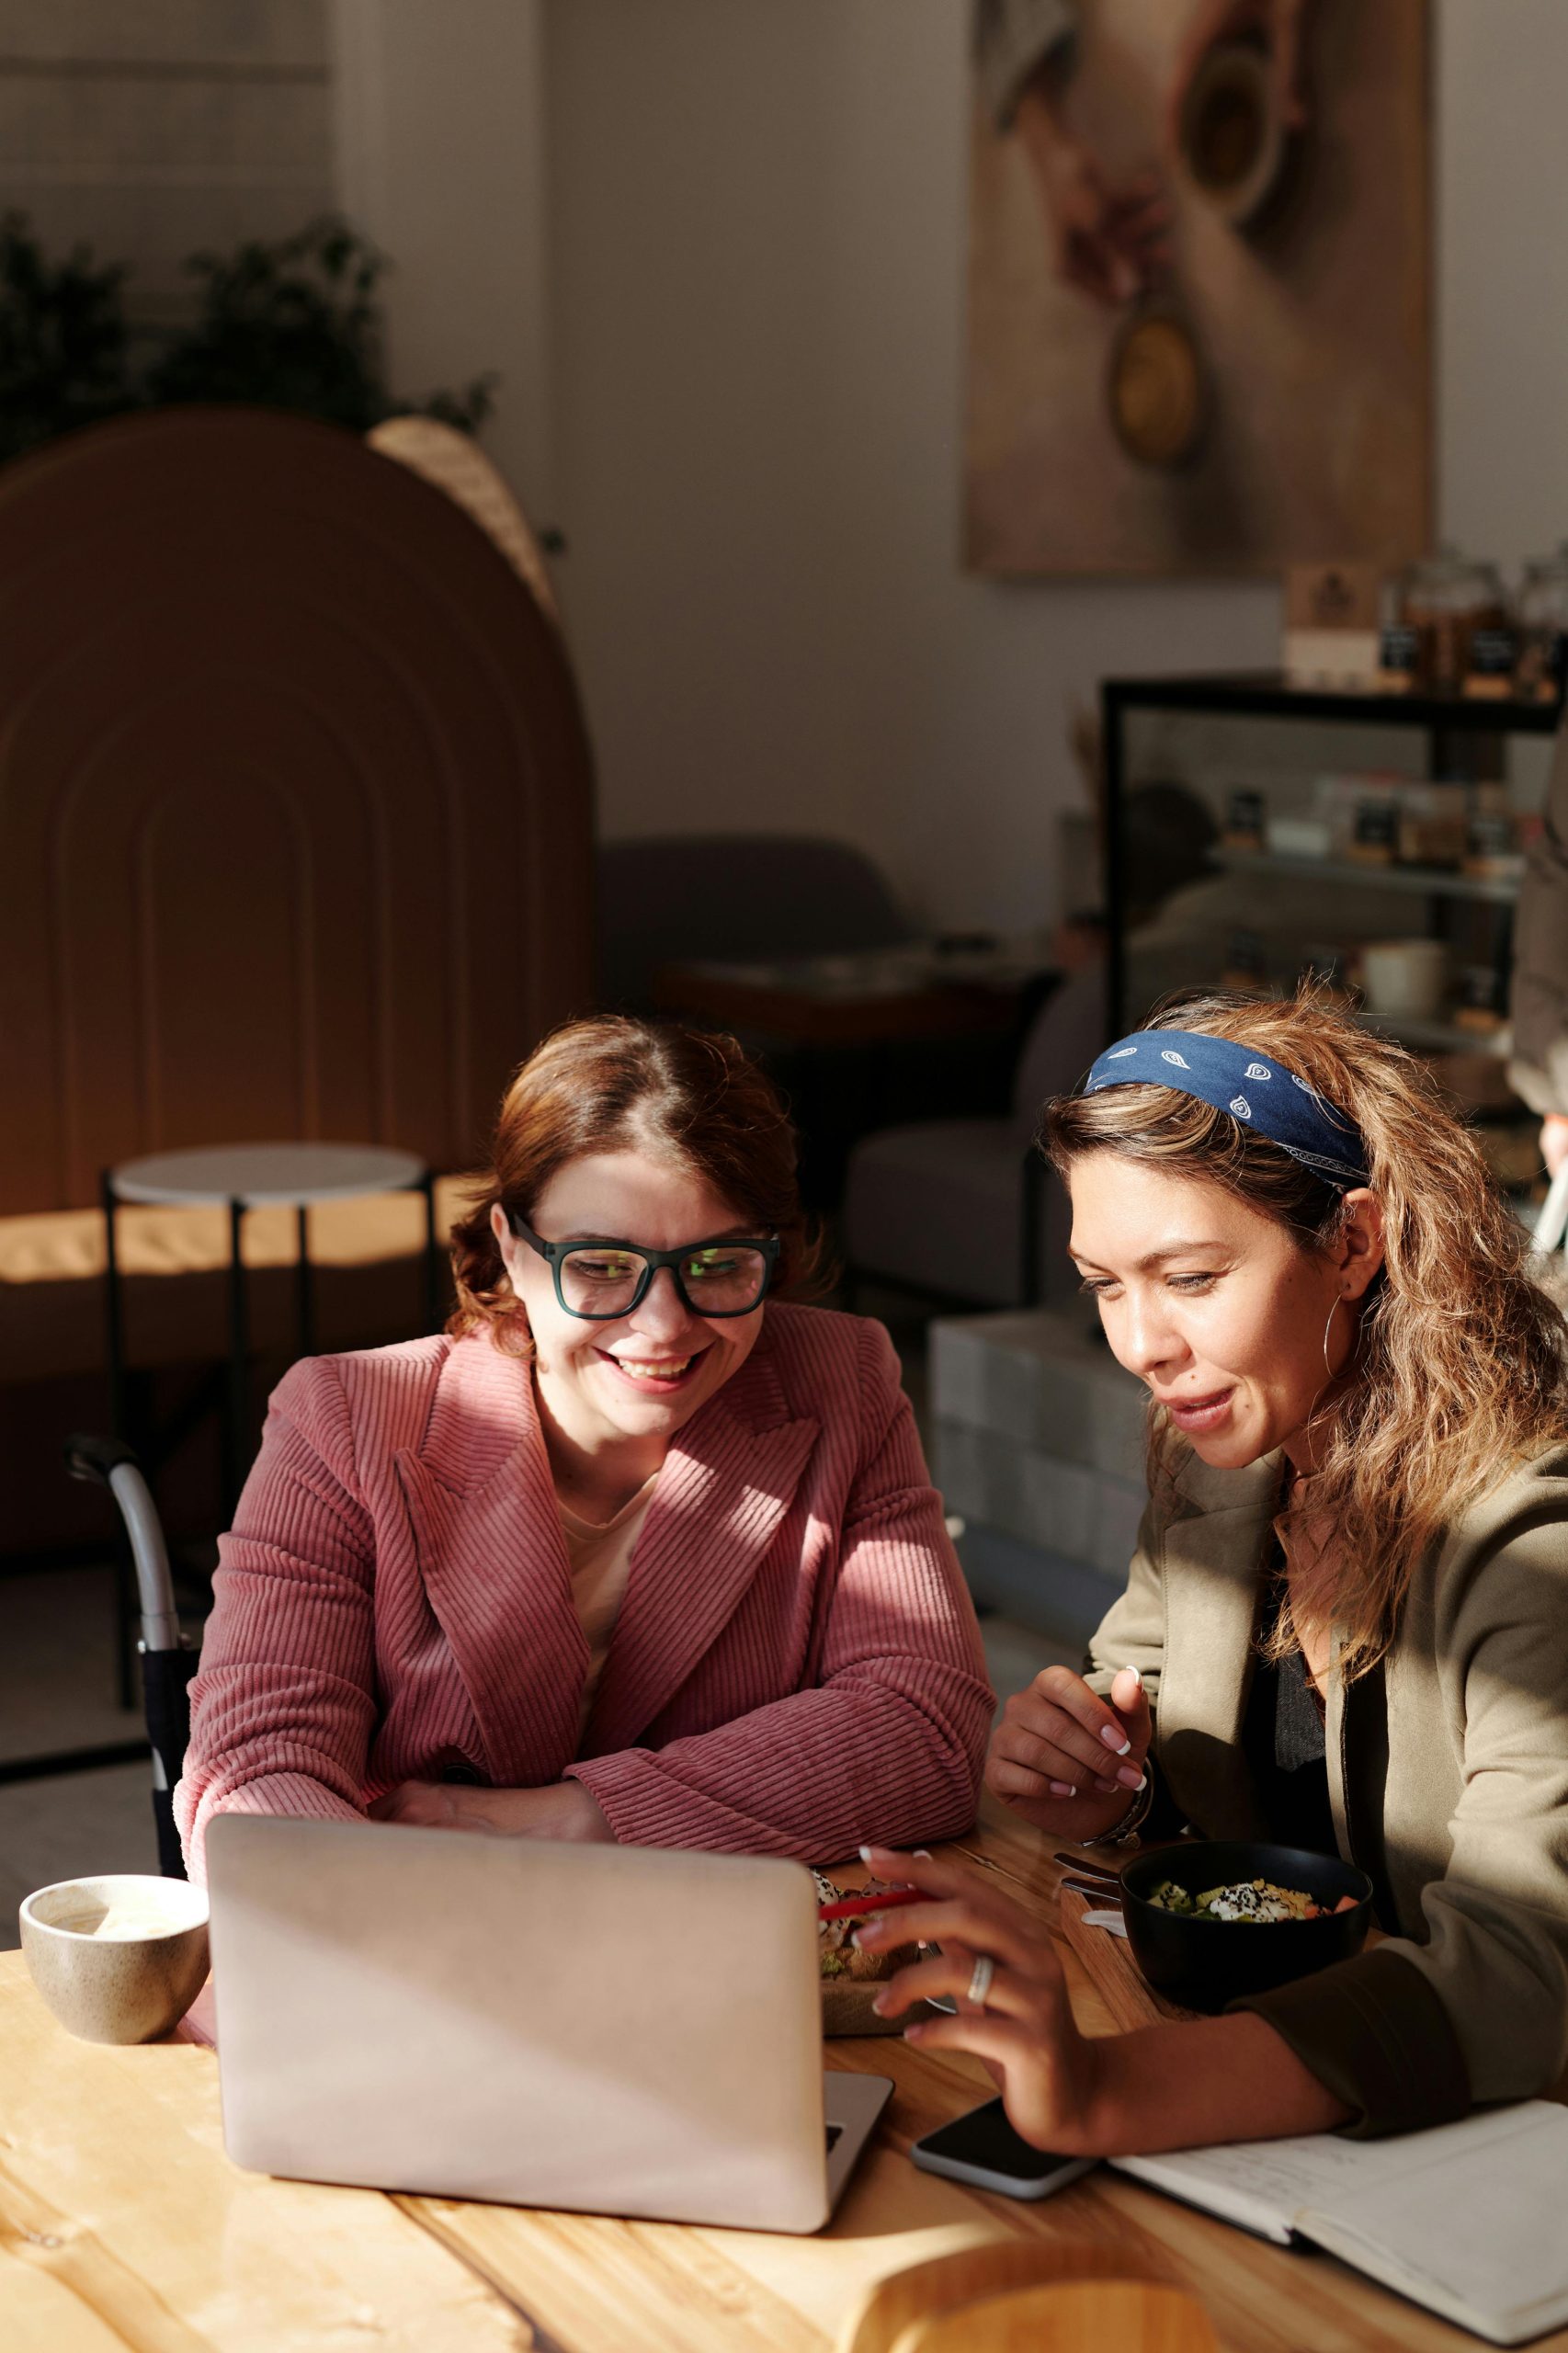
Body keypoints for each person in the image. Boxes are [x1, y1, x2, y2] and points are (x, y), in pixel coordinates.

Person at [855, 988, 1568, 2152]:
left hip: (1497, 2147)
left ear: (1350, 1244)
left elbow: (1516, 1977)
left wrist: (1105, 2093)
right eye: (1103, 1284)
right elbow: (1144, 1725)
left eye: (1187, 1278)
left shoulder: (1528, 1544)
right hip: (1292, 2105)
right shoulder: (1226, 1468)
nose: (1139, 1345)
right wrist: (1105, 1780)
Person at [175, 1017, 993, 1875]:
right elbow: (255, 1772)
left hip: (721, 1951)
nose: (664, 1326)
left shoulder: (840, 1379)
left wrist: (578, 1818)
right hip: (422, 1941)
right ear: (510, 1250)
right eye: (602, 1263)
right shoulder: (346, 1416)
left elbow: (927, 1728)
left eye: (717, 1263)